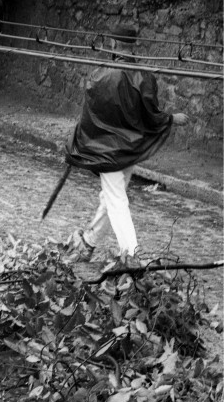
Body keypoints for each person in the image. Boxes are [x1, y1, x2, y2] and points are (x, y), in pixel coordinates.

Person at [61, 22, 188, 267]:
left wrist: (78, 143)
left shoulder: (99, 75)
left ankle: (131, 255)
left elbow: (90, 116)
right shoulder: (145, 77)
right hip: (130, 151)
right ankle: (89, 242)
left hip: (106, 152)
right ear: (133, 45)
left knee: (116, 200)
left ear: (112, 43)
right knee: (108, 198)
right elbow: (151, 113)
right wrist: (171, 118)